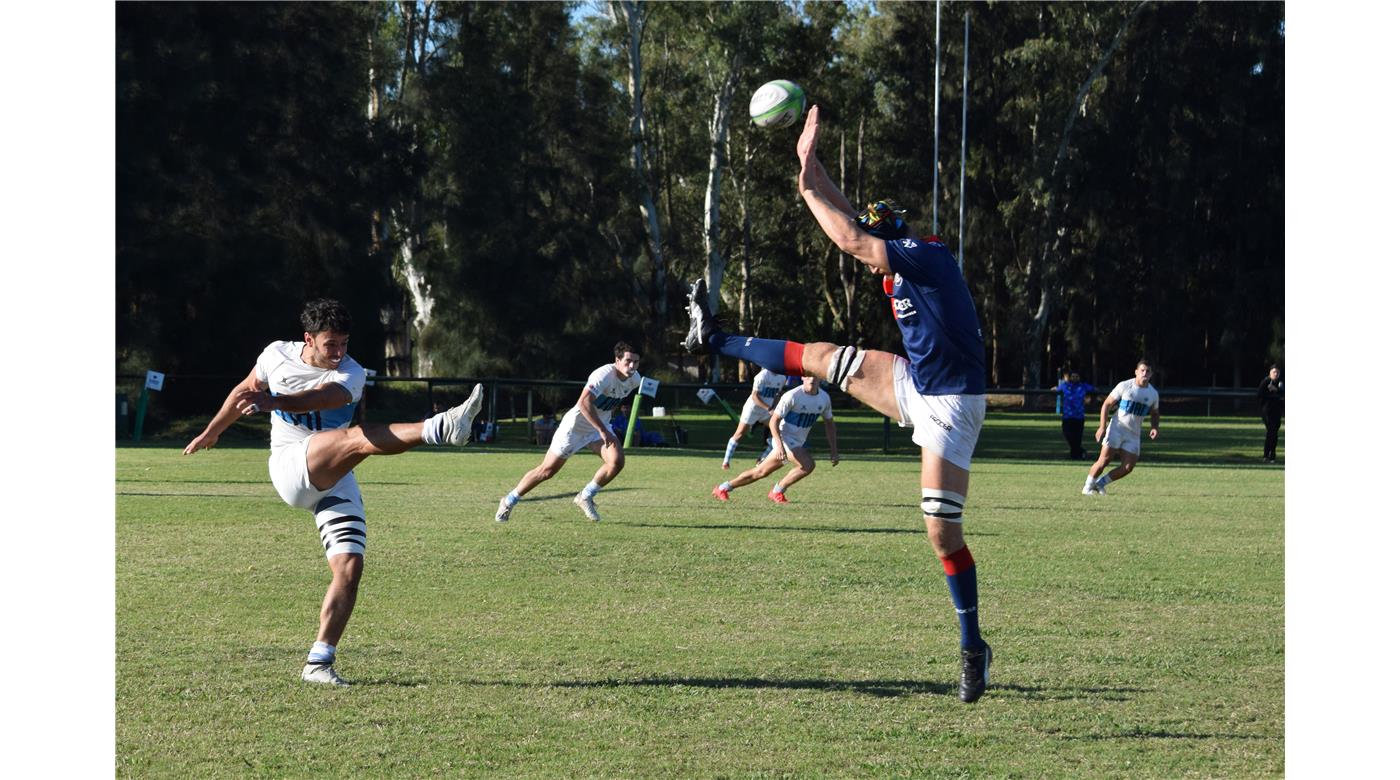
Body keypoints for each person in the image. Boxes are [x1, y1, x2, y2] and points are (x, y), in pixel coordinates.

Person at [684, 105, 991, 703]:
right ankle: (714, 337)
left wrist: (804, 190)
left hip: (953, 403)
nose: (880, 220)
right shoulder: (903, 249)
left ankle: (972, 645)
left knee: (941, 533)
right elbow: (853, 218)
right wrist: (811, 163)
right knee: (820, 354)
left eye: (887, 221)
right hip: (914, 381)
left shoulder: (926, 254)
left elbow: (852, 238)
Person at [182, 298, 484, 686]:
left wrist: (275, 401)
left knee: (349, 568)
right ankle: (439, 428)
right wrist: (214, 430)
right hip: (291, 465)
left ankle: (318, 662)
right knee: (354, 439)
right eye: (331, 344)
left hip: (334, 473)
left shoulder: (352, 373)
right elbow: (245, 389)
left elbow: (322, 399)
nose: (339, 352)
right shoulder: (276, 355)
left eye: (344, 343)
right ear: (309, 338)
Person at [495, 342, 642, 523]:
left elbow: (611, 401)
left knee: (616, 461)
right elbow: (583, 403)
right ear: (617, 360)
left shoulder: (635, 380)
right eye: (628, 361)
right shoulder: (603, 374)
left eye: (636, 362)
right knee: (547, 471)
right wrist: (603, 430)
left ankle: (585, 496)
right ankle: (509, 500)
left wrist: (604, 425)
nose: (632, 366)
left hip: (598, 429)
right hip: (575, 428)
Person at [712, 376, 839, 503]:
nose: (811, 379)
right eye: (808, 375)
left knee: (760, 472)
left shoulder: (824, 398)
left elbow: (829, 424)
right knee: (808, 464)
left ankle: (723, 488)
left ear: (820, 378)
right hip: (783, 437)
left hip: (797, 441)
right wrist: (779, 446)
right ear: (802, 377)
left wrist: (834, 450)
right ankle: (777, 491)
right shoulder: (792, 396)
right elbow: (773, 421)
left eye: (815, 376)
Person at [1083, 360, 1161, 495]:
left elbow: (1155, 413)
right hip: (1117, 428)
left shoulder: (1153, 393)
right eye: (1142, 370)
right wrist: (1102, 426)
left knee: (1128, 467)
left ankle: (1100, 484)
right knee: (1104, 460)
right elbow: (1106, 404)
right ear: (1136, 372)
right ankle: (1087, 487)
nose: (1145, 373)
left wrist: (1154, 427)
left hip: (1134, 433)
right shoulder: (1125, 386)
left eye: (1148, 371)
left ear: (1151, 374)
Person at [721, 366, 791, 469]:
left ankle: (761, 460)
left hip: (767, 411)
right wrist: (768, 408)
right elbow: (754, 396)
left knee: (780, 432)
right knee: (739, 434)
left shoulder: (782, 377)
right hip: (753, 409)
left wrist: (774, 407)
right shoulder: (762, 376)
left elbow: (777, 394)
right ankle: (726, 461)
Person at [1056, 368, 1095, 460]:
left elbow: (1094, 389)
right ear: (1070, 377)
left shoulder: (1083, 386)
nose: (1075, 378)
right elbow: (1057, 389)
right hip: (1067, 416)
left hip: (1079, 416)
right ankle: (1081, 452)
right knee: (1067, 434)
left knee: (1077, 438)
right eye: (1073, 376)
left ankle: (1075, 456)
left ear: (1080, 377)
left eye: (1077, 376)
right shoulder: (1065, 386)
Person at [1258, 364, 1283, 463]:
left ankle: (1271, 454)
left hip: (1277, 412)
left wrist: (1276, 390)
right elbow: (1259, 395)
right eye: (1274, 372)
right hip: (1267, 412)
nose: (1276, 374)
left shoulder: (1280, 383)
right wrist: (1272, 395)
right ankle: (1268, 455)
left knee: (1274, 434)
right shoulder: (1266, 382)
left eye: (1277, 372)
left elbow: (1283, 394)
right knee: (1271, 432)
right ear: (1270, 373)